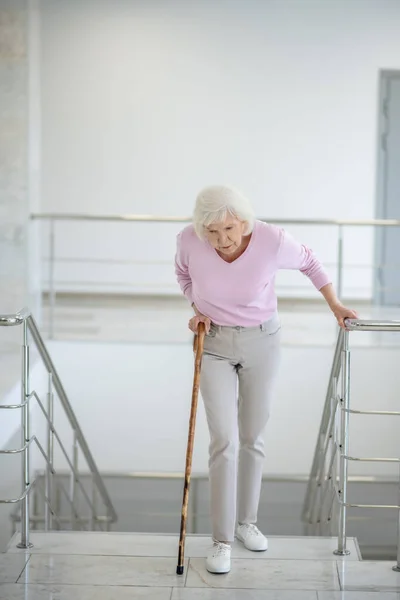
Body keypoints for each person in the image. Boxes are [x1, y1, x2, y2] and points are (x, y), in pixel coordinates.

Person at [174, 185, 357, 574]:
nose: (222, 240)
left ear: (242, 220)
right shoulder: (188, 240)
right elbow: (183, 274)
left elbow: (311, 263)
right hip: (214, 342)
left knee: (252, 438)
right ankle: (221, 541)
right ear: (200, 228)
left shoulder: (272, 240)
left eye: (228, 229)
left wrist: (335, 305)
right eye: (212, 231)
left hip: (263, 342)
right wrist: (197, 309)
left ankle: (246, 524)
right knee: (223, 440)